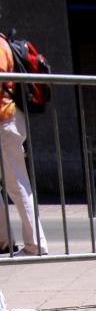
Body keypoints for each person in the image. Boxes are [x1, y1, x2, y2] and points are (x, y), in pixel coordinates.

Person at [0, 32, 48, 255]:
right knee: (16, 184)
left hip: (5, 121)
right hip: (7, 121)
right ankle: (4, 242)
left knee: (17, 185)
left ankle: (36, 245)